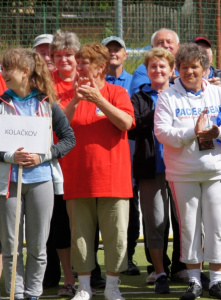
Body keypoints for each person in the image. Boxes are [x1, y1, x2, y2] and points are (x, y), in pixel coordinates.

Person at [154, 43, 221, 300]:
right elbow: (162, 132)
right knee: (189, 227)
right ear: (177, 70)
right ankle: (194, 281)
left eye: (195, 66)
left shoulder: (218, 93)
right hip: (183, 173)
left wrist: (218, 132)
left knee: (217, 225)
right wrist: (193, 131)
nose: (189, 71)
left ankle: (216, 280)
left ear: (204, 68)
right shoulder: (167, 96)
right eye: (184, 67)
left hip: (215, 170)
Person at [59, 43, 135, 300]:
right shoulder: (68, 94)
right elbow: (57, 128)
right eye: (78, 62)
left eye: (84, 63)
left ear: (101, 67)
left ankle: (113, 287)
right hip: (78, 177)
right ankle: (84, 288)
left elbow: (126, 123)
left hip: (114, 179)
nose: (78, 67)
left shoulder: (117, 92)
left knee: (116, 235)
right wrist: (77, 100)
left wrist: (99, 99)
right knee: (79, 235)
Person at [0, 48, 75, 300]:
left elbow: (68, 139)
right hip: (8, 184)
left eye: (8, 68)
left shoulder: (47, 102)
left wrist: (43, 155)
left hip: (42, 181)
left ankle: (33, 294)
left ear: (25, 72)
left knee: (37, 246)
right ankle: (15, 293)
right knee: (10, 246)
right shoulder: (0, 103)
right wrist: (10, 156)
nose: (4, 73)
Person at [191, 35, 221, 271]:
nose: (203, 53)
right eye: (198, 49)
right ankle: (200, 253)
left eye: (206, 50)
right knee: (199, 207)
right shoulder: (185, 78)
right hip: (195, 155)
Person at [129, 47, 174, 294]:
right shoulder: (138, 97)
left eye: (163, 66)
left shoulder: (181, 94)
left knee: (185, 223)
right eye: (153, 67)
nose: (158, 70)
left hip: (182, 168)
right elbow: (131, 128)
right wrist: (155, 115)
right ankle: (159, 272)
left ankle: (191, 271)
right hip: (150, 168)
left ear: (171, 70)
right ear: (147, 71)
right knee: (155, 221)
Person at [46, 29, 87, 294]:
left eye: (69, 55)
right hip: (58, 166)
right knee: (60, 226)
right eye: (58, 55)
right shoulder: (46, 84)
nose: (64, 61)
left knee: (85, 227)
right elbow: (58, 126)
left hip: (87, 164)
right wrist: (73, 100)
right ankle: (69, 279)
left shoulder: (90, 79)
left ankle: (88, 275)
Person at [100, 35, 140, 278]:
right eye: (109, 49)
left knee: (129, 206)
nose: (113, 53)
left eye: (118, 49)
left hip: (130, 149)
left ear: (126, 54)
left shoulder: (135, 81)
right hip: (102, 151)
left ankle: (128, 256)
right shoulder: (95, 82)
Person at [129, 28, 180, 96]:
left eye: (169, 42)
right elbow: (141, 97)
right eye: (160, 42)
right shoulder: (143, 70)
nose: (165, 45)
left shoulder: (186, 68)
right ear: (153, 47)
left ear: (178, 46)